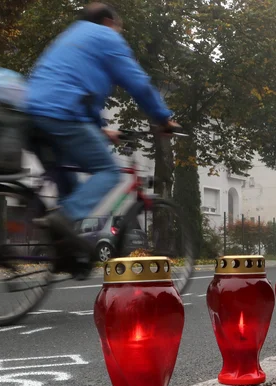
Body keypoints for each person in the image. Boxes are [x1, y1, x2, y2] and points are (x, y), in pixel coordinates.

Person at [26, 2, 178, 264]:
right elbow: (138, 83)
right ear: (109, 22)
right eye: (120, 29)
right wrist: (163, 118)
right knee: (108, 172)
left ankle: (67, 256)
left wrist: (100, 130)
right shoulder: (107, 36)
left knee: (70, 188)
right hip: (62, 114)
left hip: (32, 115)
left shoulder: (71, 35)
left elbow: (73, 86)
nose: (119, 34)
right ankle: (61, 222)